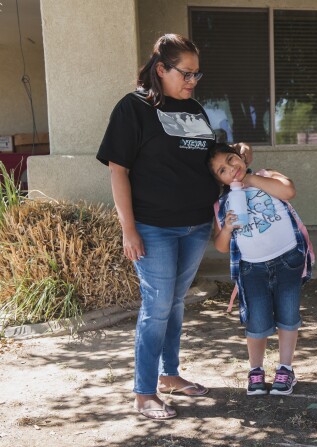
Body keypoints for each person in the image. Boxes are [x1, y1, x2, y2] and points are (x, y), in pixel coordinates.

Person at [97, 34, 251, 420]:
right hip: (154, 227)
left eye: (198, 74)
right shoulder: (133, 108)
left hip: (196, 224)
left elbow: (206, 161)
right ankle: (144, 392)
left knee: (175, 303)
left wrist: (236, 155)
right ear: (161, 69)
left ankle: (169, 374)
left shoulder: (196, 109)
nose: (193, 81)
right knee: (157, 305)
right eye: (186, 73)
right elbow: (119, 170)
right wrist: (128, 228)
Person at [209, 144, 313, 397]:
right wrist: (227, 229)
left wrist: (250, 178)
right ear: (218, 179)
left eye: (232, 160)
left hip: (288, 260)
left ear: (241, 157)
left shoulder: (266, 176)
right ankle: (255, 370)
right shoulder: (222, 203)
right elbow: (221, 246)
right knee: (257, 321)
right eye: (223, 170)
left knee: (288, 316)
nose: (231, 169)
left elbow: (288, 190)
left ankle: (285, 369)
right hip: (251, 269)